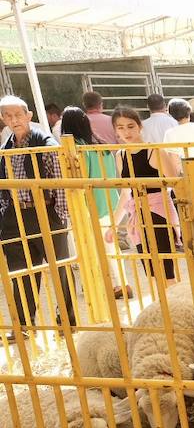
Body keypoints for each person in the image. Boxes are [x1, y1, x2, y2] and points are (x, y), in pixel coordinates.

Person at [0, 95, 76, 337]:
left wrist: (60, 215)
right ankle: (23, 325)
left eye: (18, 115)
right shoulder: (6, 147)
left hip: (46, 211)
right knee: (21, 272)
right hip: (15, 216)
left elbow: (59, 180)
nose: (14, 120)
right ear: (3, 119)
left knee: (60, 268)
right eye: (8, 116)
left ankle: (67, 320)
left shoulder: (44, 142)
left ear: (28, 115)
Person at [60, 107, 130, 299]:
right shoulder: (101, 144)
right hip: (110, 202)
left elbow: (80, 180)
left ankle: (101, 285)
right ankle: (121, 283)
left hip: (89, 206)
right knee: (110, 246)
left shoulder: (76, 148)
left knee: (88, 248)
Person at [108, 108, 182, 283]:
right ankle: (165, 309)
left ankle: (174, 308)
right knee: (154, 273)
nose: (126, 132)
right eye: (120, 128)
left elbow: (176, 184)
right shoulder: (120, 156)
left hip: (159, 212)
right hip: (137, 216)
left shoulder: (153, 151)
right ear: (115, 130)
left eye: (130, 126)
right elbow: (126, 193)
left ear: (139, 126)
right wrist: (114, 224)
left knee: (166, 272)